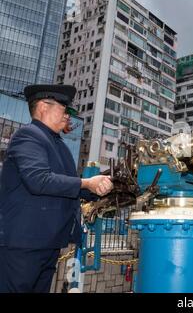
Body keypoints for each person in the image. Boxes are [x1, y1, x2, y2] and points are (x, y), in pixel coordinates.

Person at [0, 85, 114, 293]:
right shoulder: (29, 135)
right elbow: (39, 180)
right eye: (65, 109)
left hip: (47, 243)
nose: (68, 116)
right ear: (44, 106)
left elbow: (67, 185)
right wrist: (86, 183)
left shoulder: (58, 144)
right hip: (24, 244)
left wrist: (99, 188)